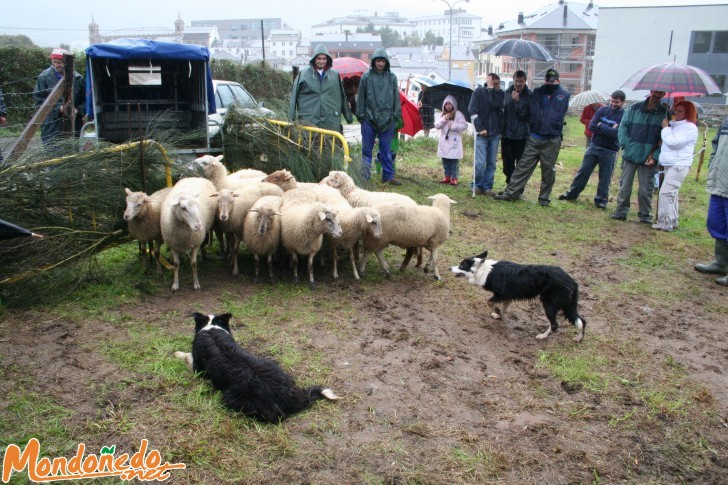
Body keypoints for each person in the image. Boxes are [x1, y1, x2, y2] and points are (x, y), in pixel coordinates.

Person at [495, 69, 571, 206]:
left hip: (552, 139)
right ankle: (511, 193)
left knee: (548, 170)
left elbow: (557, 114)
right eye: (548, 80)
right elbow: (527, 114)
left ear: (558, 81)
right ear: (545, 80)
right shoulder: (537, 93)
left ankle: (544, 198)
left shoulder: (564, 95)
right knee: (523, 167)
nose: (550, 83)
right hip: (534, 136)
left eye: (553, 81)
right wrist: (518, 104)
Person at [559, 90, 626, 209]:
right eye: (612, 101)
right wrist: (608, 127)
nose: (613, 104)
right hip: (594, 146)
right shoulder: (602, 110)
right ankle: (572, 194)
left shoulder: (624, 116)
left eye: (616, 102)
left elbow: (617, 133)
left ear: (623, 102)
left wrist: (601, 125)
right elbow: (591, 126)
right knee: (583, 172)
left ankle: (601, 201)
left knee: (605, 177)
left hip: (610, 150)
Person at [610, 90, 668, 222]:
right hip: (630, 155)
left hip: (649, 158)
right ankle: (621, 211)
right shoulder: (634, 108)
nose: (657, 95)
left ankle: (645, 215)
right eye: (655, 92)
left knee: (645, 189)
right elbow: (622, 128)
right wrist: (626, 145)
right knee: (625, 186)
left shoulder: (664, 114)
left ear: (664, 95)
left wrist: (656, 156)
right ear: (651, 91)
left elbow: (665, 138)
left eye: (661, 93)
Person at [356, 48, 402, 185]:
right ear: (374, 61)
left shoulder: (392, 77)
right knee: (366, 149)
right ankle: (365, 176)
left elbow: (396, 97)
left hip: (388, 119)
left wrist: (395, 116)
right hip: (369, 119)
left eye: (383, 61)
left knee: (386, 150)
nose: (380, 64)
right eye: (378, 61)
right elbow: (361, 98)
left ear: (386, 62)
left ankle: (388, 176)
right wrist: (361, 116)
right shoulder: (366, 77)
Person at [652, 101, 699, 232]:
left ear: (688, 113)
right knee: (671, 194)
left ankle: (665, 222)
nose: (676, 113)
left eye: (680, 111)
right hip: (669, 163)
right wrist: (667, 127)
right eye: (676, 110)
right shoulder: (673, 125)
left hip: (679, 165)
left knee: (666, 193)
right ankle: (672, 220)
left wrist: (666, 129)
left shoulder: (689, 128)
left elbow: (673, 143)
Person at [694, 115, 728, 285]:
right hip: (720, 182)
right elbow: (715, 146)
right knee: (717, 223)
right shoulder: (726, 122)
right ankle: (721, 263)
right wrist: (713, 164)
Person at [288, 44, 353, 133]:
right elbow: (294, 96)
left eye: (324, 59)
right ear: (314, 59)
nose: (321, 61)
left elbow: (342, 96)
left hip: (330, 121)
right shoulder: (303, 75)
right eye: (319, 58)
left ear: (327, 59)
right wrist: (291, 120)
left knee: (329, 145)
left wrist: (348, 116)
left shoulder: (335, 75)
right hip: (309, 120)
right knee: (310, 145)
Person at [33, 48, 85, 145]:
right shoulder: (43, 77)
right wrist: (58, 108)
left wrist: (78, 110)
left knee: (73, 155)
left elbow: (86, 101)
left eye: (59, 62)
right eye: (54, 62)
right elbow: (39, 101)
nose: (56, 65)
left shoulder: (78, 78)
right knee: (53, 155)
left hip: (74, 127)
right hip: (52, 128)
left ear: (67, 63)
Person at [468, 72, 505, 195]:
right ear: (489, 81)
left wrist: (493, 91)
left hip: (494, 134)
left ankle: (487, 187)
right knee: (480, 162)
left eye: (497, 84)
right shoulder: (478, 92)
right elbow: (472, 110)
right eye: (494, 83)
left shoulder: (500, 94)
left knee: (491, 163)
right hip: (482, 134)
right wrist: (479, 128)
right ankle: (476, 184)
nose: (496, 85)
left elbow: (496, 105)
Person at [500, 70, 530, 191]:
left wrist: (518, 102)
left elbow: (526, 115)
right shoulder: (507, 93)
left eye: (521, 81)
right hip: (507, 135)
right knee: (507, 164)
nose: (518, 84)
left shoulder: (529, 95)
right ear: (513, 80)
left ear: (525, 81)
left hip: (521, 136)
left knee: (521, 164)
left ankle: (518, 188)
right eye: (516, 81)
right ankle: (510, 185)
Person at [435, 95, 468, 186]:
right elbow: (437, 125)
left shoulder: (458, 114)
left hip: (454, 140)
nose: (448, 106)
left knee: (453, 161)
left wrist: (454, 125)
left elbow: (464, 126)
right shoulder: (442, 114)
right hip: (444, 141)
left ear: (454, 104)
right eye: (446, 104)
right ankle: (447, 176)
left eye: (450, 104)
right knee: (445, 160)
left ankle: (454, 177)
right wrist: (444, 118)